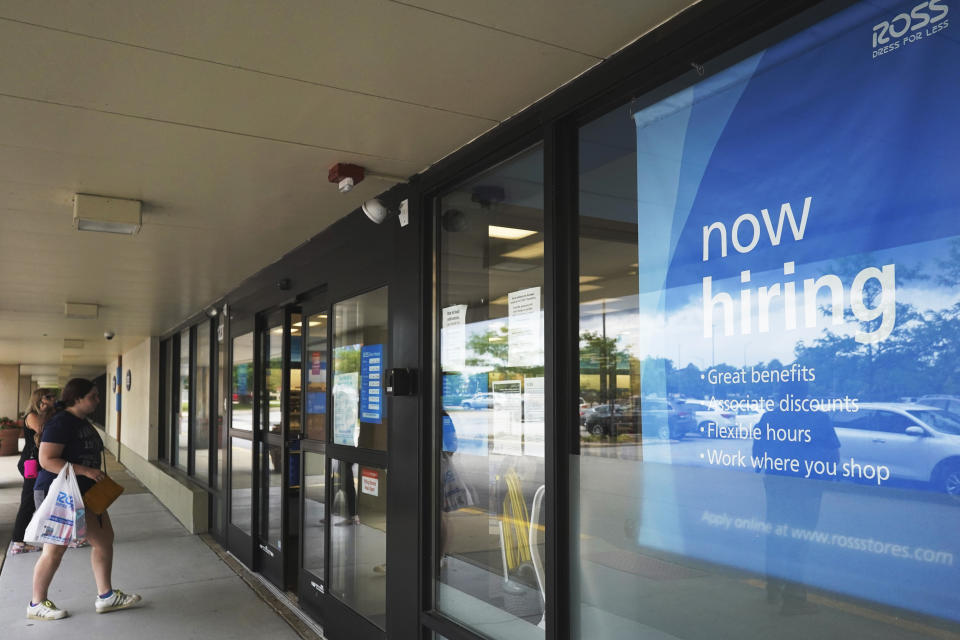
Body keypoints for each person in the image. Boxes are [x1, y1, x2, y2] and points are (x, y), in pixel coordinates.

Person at [27, 378, 141, 621]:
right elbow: (46, 460)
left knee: (104, 540)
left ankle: (106, 596)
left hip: (86, 494)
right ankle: (36, 603)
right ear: (77, 399)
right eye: (93, 396)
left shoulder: (81, 421)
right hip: (60, 494)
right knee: (54, 550)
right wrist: (86, 471)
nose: (98, 401)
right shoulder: (61, 422)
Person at [9, 388, 56, 555]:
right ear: (39, 400)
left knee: (44, 499)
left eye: (53, 396)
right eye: (49, 397)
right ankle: (18, 542)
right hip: (31, 465)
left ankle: (21, 540)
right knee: (28, 502)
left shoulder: (50, 413)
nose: (53, 399)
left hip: (41, 463)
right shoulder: (32, 416)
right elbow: (46, 434)